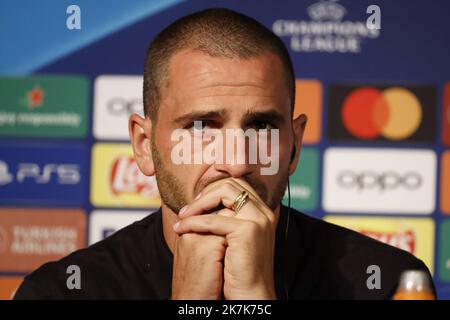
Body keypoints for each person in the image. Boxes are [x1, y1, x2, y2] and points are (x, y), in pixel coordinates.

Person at [14, 8, 434, 300]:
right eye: (201, 128)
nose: (234, 162)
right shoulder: (65, 291)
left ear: (293, 146)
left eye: (261, 127)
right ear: (144, 145)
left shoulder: (384, 283)